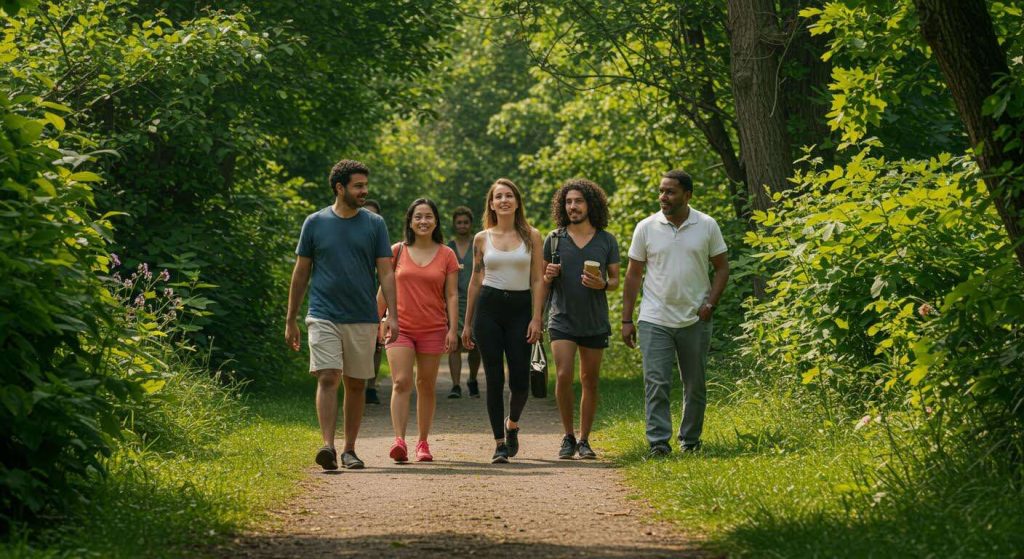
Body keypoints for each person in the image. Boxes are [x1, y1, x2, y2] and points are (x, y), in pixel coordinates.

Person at [286, 160, 398, 471]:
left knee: (356, 383)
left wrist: (393, 314)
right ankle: (328, 446)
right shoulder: (315, 223)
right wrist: (290, 318)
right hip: (323, 313)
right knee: (327, 375)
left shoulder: (374, 224)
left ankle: (350, 449)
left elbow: (386, 273)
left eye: (365, 185)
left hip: (362, 315)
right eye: (358, 186)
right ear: (340, 188)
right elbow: (301, 273)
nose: (365, 191)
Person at [621, 170, 729, 457]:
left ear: (687, 195)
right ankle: (658, 443)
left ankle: (690, 441)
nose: (663, 197)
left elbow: (722, 267)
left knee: (695, 384)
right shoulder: (646, 227)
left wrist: (710, 304)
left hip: (695, 318)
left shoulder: (706, 225)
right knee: (656, 382)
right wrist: (626, 319)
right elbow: (633, 275)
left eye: (670, 192)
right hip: (654, 318)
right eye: (661, 191)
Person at [462, 178, 545, 464]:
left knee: (521, 380)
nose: (504, 200)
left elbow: (537, 278)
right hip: (489, 308)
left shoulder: (532, 235)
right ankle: (499, 443)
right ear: (492, 203)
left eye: (509, 195)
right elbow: (475, 279)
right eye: (499, 196)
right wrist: (467, 323)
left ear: (517, 202)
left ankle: (512, 425)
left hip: (521, 309)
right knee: (494, 378)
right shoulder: (481, 238)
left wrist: (537, 317)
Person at [538, 179, 620, 460]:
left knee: (590, 379)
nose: (572, 206)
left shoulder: (606, 240)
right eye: (568, 202)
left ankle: (584, 439)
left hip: (594, 319)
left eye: (578, 201)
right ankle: (567, 436)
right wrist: (546, 277)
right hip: (561, 317)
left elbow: (615, 281)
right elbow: (543, 281)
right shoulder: (555, 238)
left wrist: (602, 285)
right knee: (563, 375)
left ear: (591, 205)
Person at [379, 198, 459, 463]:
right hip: (400, 326)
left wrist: (452, 329)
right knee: (401, 382)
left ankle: (422, 443)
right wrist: (375, 320)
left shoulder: (447, 254)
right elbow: (384, 289)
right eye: (418, 217)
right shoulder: (396, 251)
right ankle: (399, 440)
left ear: (436, 221)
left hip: (434, 328)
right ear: (410, 222)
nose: (423, 221)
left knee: (426, 385)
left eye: (428, 217)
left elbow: (451, 295)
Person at [446, 206, 482, 399]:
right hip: (454, 302)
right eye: (458, 222)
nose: (462, 225)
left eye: (465, 222)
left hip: (476, 301)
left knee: (474, 344)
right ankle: (456, 384)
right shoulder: (447, 247)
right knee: (455, 343)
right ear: (454, 224)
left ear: (471, 224)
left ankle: (473, 379)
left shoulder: (478, 244)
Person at [362, 199, 385, 405]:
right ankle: (358, 385)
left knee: (377, 345)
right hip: (355, 299)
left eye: (374, 215)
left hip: (377, 299)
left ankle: (371, 386)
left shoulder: (381, 240)